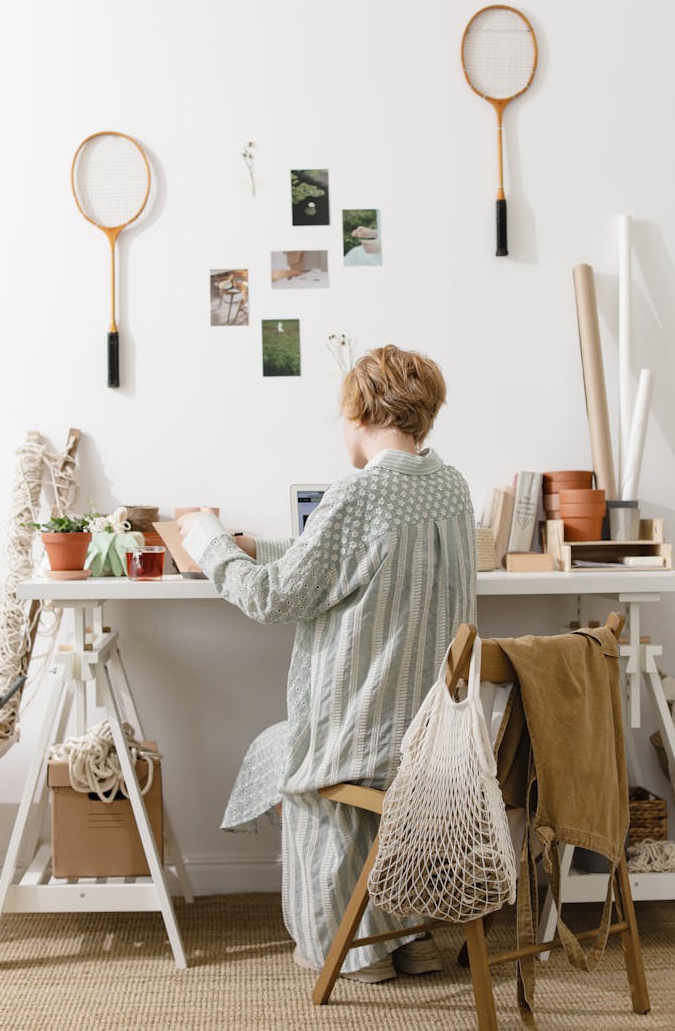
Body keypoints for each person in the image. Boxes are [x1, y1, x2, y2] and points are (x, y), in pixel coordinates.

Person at [179, 345, 476, 982]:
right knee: (314, 754)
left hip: (364, 745)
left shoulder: (357, 494)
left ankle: (352, 947)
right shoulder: (450, 487)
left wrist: (204, 538)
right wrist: (260, 544)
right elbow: (359, 557)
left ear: (359, 411)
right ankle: (411, 935)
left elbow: (271, 596)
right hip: (436, 742)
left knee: (281, 754)